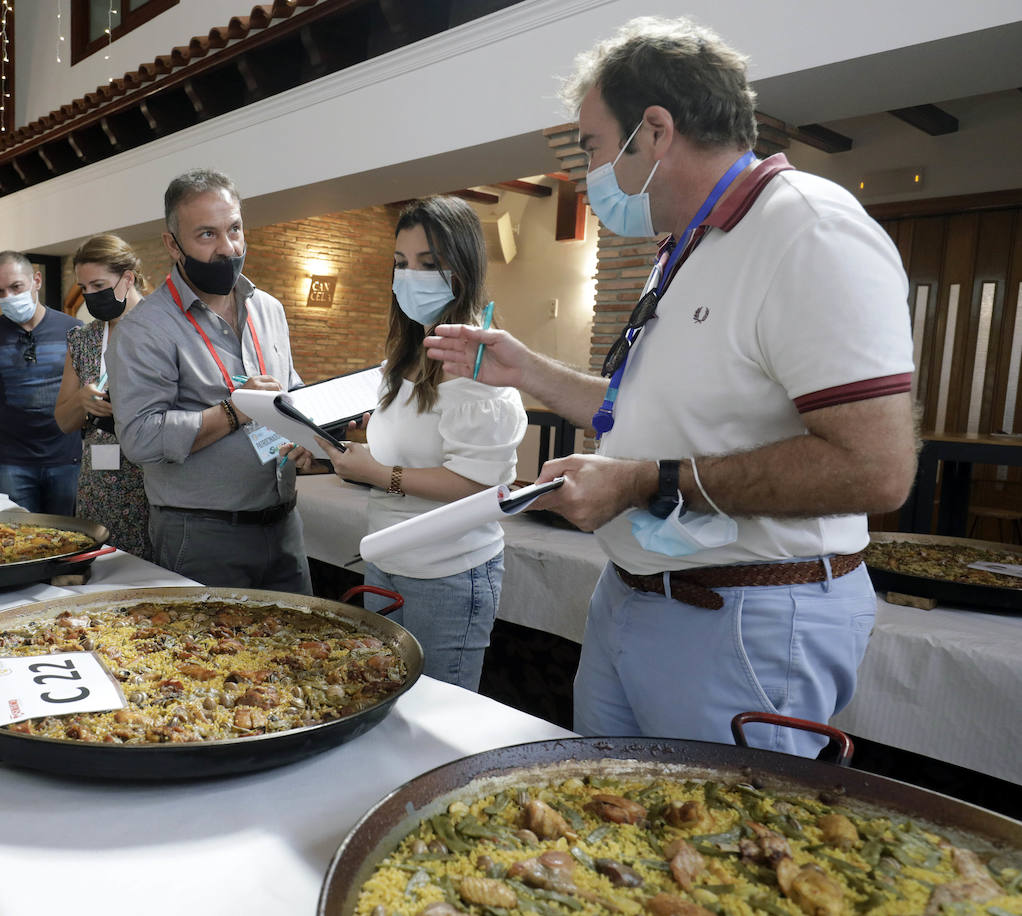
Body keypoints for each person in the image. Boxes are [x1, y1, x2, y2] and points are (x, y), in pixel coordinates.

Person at [425, 16, 917, 758]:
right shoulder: (688, 245)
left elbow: (876, 468)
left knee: (715, 854)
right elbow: (647, 412)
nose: (589, 171)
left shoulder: (805, 230)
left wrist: (641, 482)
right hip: (638, 597)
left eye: (592, 145)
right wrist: (528, 371)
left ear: (654, 130)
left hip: (745, 613)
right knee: (609, 830)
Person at [316, 197, 526, 690]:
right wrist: (341, 444)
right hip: (386, 557)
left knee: (437, 719)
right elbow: (412, 443)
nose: (410, 276)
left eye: (428, 265)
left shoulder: (479, 364)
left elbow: (479, 486)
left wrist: (376, 474)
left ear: (463, 268)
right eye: (401, 263)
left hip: (447, 575)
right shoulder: (407, 353)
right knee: (383, 701)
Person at [107, 168, 313, 593]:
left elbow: (290, 390)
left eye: (234, 229)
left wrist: (311, 433)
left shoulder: (269, 308)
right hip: (200, 532)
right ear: (172, 244)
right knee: (210, 656)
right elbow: (141, 439)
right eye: (207, 235)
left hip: (285, 523)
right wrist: (234, 410)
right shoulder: (145, 329)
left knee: (299, 656)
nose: (228, 248)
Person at [54, 234, 152, 559]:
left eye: (98, 285)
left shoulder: (162, 328)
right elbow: (63, 421)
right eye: (84, 289)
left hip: (152, 480)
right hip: (97, 480)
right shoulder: (83, 339)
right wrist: (82, 400)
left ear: (127, 277)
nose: (90, 297)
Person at [0, 251, 82, 514]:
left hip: (67, 459)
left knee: (69, 541)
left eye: (16, 287)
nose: (9, 297)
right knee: (16, 542)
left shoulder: (74, 330)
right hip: (10, 463)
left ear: (36, 280)